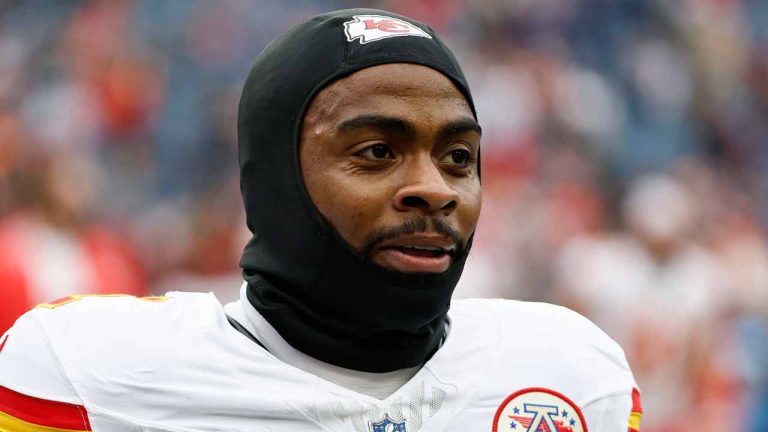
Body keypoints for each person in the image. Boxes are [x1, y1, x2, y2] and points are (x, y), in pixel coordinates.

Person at [0, 9, 641, 432]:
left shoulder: (570, 376)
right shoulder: (88, 376)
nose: (434, 190)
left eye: (457, 158)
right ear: (275, 179)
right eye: (377, 152)